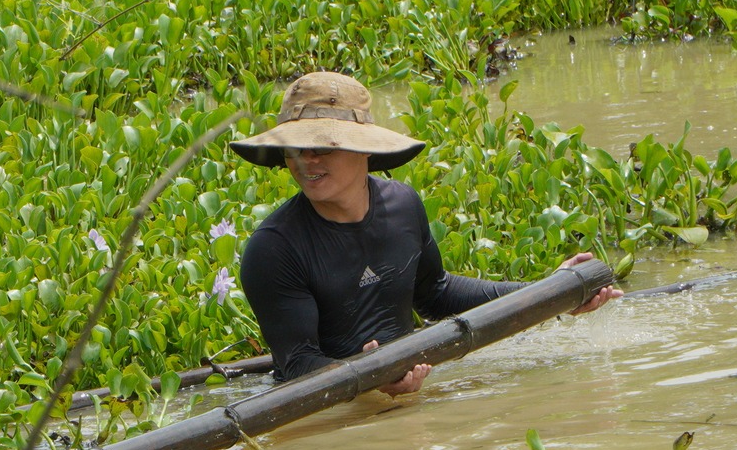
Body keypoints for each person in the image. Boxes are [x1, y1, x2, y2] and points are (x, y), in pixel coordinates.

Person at [231, 71, 620, 394]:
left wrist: (547, 293)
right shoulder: (274, 249)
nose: (307, 160)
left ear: (364, 150)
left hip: (417, 380)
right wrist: (371, 377)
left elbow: (435, 294)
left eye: (322, 147)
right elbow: (298, 364)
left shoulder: (403, 204)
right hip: (339, 406)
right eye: (296, 149)